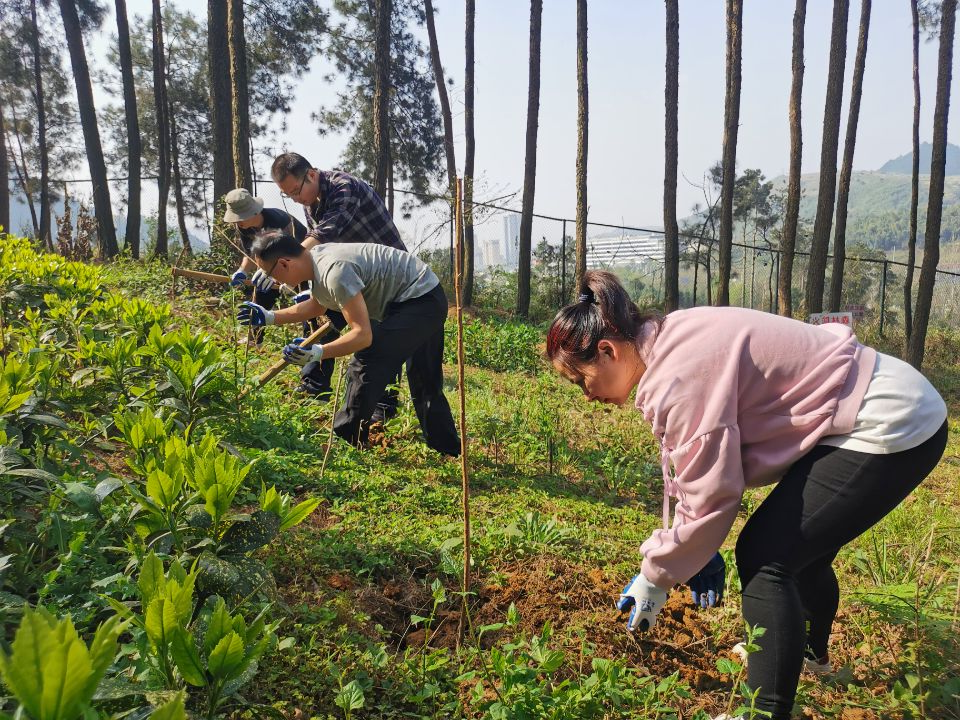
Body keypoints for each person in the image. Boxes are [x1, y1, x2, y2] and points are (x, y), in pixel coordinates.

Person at [545, 270, 947, 720]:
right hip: (878, 401)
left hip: (888, 420)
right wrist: (693, 546)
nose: (586, 395)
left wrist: (657, 574)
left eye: (581, 380)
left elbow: (712, 494)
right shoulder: (670, 338)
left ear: (607, 350)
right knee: (802, 553)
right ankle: (810, 656)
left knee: (766, 557)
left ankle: (764, 714)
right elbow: (702, 470)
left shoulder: (676, 377)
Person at [236, 230, 460, 458]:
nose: (274, 281)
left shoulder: (334, 271)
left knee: (367, 360)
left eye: (270, 273)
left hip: (420, 300)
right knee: (425, 377)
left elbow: (363, 335)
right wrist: (271, 317)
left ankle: (347, 440)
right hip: (423, 294)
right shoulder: (316, 260)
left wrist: (317, 353)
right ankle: (449, 449)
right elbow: (319, 304)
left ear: (284, 264)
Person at [270, 152, 405, 422]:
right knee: (317, 323)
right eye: (289, 196)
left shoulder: (345, 187)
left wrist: (282, 261)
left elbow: (323, 235)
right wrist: (311, 285)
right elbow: (319, 254)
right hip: (346, 275)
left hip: (385, 279)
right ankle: (314, 387)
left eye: (296, 191)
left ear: (311, 174)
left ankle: (381, 409)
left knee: (377, 340)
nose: (297, 200)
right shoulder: (311, 202)